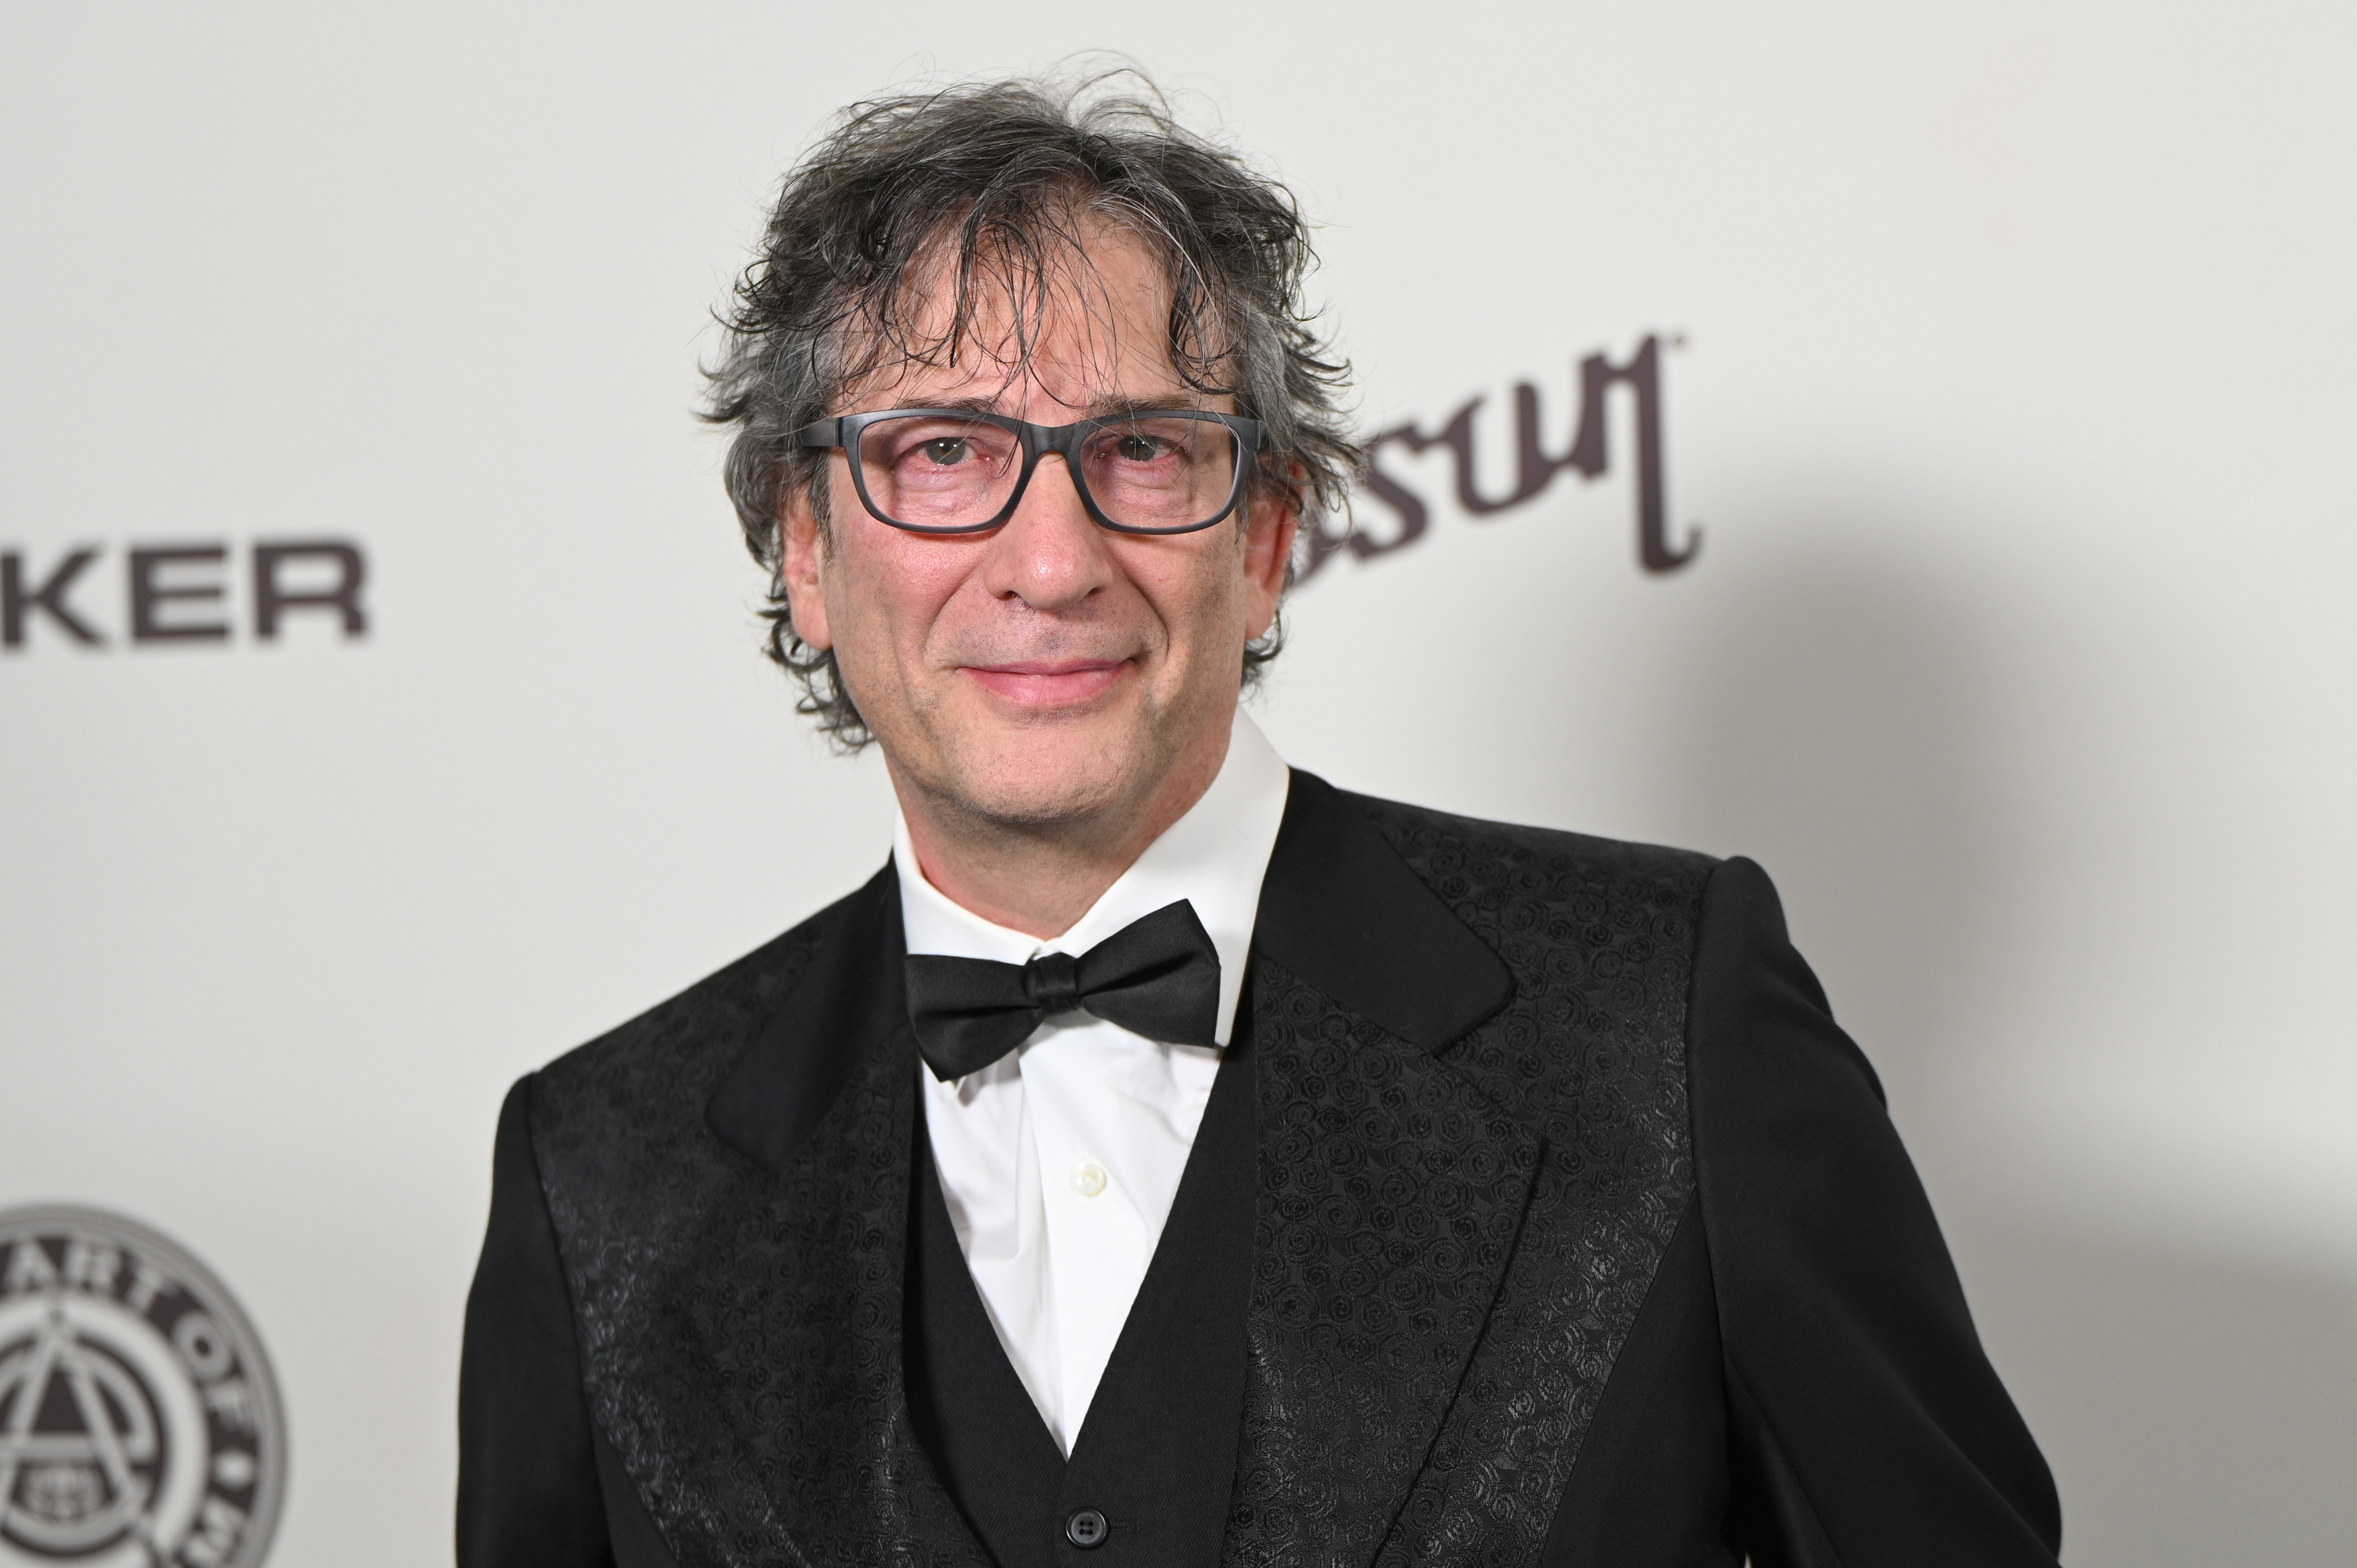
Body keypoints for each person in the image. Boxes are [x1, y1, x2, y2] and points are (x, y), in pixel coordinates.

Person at [456, 72, 2062, 1568]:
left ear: (1271, 534)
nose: (1052, 561)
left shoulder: (1666, 1026)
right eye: (943, 454)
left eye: (1140, 452)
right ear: (805, 549)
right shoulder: (601, 1177)